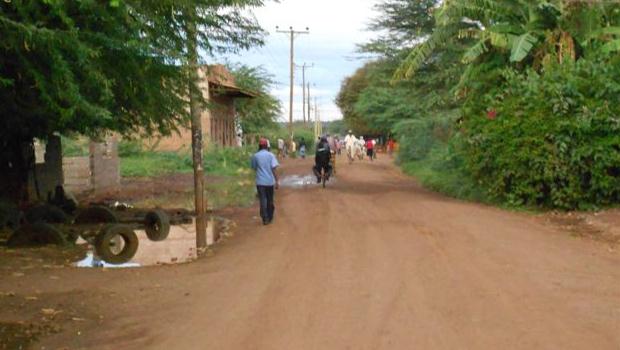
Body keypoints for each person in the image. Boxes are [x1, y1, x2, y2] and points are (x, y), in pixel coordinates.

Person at [251, 138, 280, 225]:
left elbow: (254, 167)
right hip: (269, 182)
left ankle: (265, 218)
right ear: (267, 146)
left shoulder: (255, 156)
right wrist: (277, 181)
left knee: (262, 199)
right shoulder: (271, 155)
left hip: (260, 182)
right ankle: (270, 215)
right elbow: (274, 169)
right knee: (270, 199)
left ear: (259, 146)